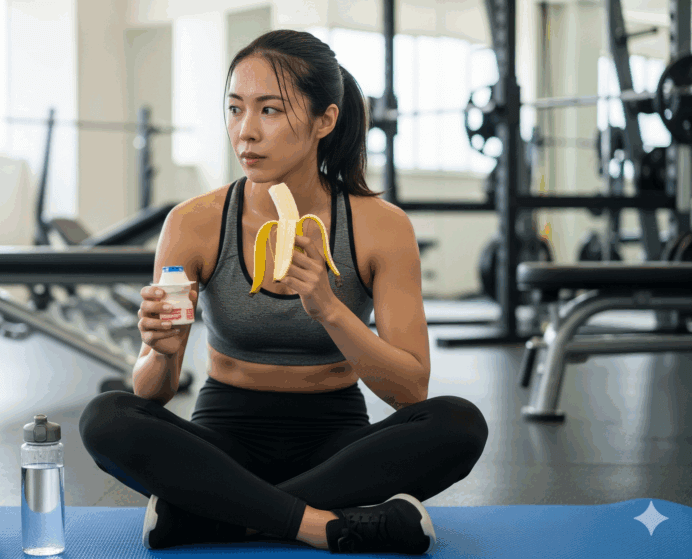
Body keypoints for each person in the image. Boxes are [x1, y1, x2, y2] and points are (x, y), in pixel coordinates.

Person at [80, 29, 488, 555]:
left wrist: (330, 310)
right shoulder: (194, 223)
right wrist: (159, 351)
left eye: (269, 110)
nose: (245, 132)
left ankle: (216, 513)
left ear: (325, 120)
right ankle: (323, 524)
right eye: (235, 109)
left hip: (337, 447)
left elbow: (410, 391)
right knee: (106, 418)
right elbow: (152, 393)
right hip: (223, 443)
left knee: (460, 423)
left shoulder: (380, 226)